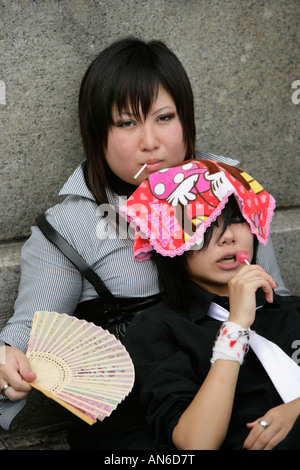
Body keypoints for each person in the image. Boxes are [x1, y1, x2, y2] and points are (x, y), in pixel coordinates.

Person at [0, 37, 289, 449]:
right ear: (96, 132)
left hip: (241, 398)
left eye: (165, 117)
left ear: (186, 118)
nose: (150, 141)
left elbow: (281, 309)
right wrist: (7, 363)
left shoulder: (231, 190)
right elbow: (28, 334)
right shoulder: (70, 227)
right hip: (134, 422)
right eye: (126, 123)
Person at [121, 159, 300, 450]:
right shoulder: (158, 330)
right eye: (203, 226)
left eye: (238, 219)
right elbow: (196, 443)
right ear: (170, 242)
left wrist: (295, 410)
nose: (228, 237)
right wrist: (236, 328)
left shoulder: (292, 310)